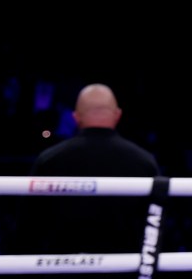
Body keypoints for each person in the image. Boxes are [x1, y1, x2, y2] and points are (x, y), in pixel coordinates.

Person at [25, 82, 161, 254]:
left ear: (76, 117)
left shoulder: (49, 160)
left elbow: (29, 227)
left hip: (62, 269)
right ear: (117, 115)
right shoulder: (144, 162)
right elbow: (154, 227)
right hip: (123, 268)